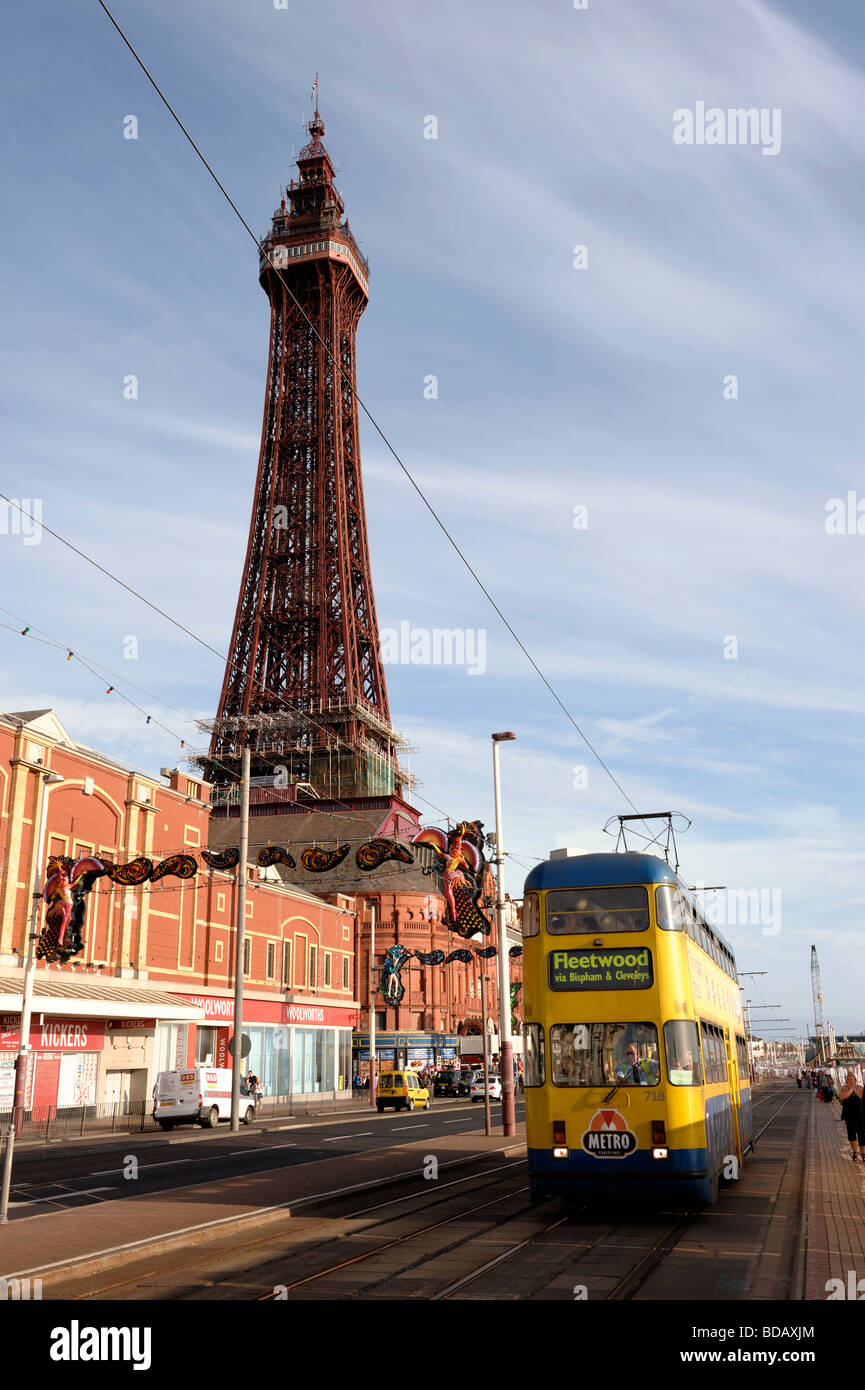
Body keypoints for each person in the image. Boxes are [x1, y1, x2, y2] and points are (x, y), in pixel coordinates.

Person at [839, 1072, 865, 1159]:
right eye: (848, 1080)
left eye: (851, 1079)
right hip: (849, 1116)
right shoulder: (844, 1088)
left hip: (860, 1116)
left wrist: (854, 1089)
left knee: (862, 1135)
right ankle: (855, 1152)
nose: (850, 1081)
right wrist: (851, 1089)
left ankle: (863, 1153)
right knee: (851, 1135)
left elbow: (861, 1096)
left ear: (855, 1080)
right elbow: (843, 1096)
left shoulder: (860, 1088)